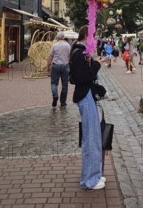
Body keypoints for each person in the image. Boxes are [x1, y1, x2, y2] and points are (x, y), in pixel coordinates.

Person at [69, 26, 105, 190]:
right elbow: (80, 77)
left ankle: (95, 174)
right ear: (86, 37)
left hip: (87, 95)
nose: (95, 40)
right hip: (85, 95)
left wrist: (95, 63)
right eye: (94, 37)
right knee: (90, 139)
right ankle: (89, 180)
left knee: (94, 136)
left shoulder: (81, 52)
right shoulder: (78, 53)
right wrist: (97, 64)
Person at [47, 31, 71, 108]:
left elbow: (50, 57)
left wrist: (48, 66)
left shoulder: (54, 45)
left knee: (54, 83)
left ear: (57, 37)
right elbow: (70, 57)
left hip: (55, 65)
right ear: (63, 37)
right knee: (65, 85)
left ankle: (55, 95)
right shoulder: (68, 45)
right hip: (65, 66)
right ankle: (63, 102)